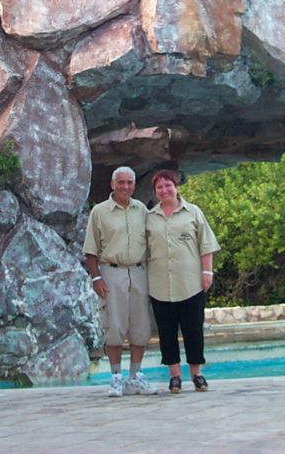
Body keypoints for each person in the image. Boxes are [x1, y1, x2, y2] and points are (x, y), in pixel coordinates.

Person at [83, 166, 158, 397]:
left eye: (129, 182)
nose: (125, 186)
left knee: (140, 326)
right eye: (121, 182)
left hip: (139, 272)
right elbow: (91, 249)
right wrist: (96, 277)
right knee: (113, 326)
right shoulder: (99, 212)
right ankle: (116, 377)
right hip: (111, 272)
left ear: (134, 185)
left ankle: (135, 376)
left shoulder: (142, 210)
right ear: (113, 184)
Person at [145, 169, 220, 394]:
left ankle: (197, 374)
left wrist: (207, 272)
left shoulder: (193, 212)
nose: (164, 190)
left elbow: (206, 244)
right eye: (160, 187)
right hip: (159, 284)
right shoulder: (149, 217)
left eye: (168, 185)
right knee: (166, 333)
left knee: (193, 330)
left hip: (191, 283)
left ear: (176, 187)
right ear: (155, 191)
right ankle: (175, 376)